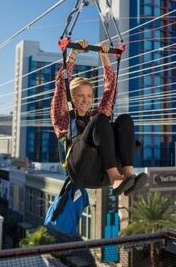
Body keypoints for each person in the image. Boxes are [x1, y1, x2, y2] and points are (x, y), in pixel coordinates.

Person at [51, 40, 147, 196]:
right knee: (100, 119)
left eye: (89, 96)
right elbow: (62, 83)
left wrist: (104, 56)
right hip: (80, 170)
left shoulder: (94, 116)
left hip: (99, 170)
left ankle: (128, 172)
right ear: (71, 98)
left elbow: (110, 90)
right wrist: (73, 53)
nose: (86, 100)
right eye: (80, 96)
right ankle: (115, 177)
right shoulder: (63, 117)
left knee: (124, 120)